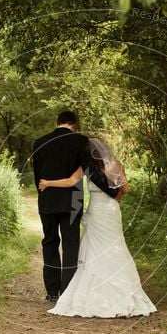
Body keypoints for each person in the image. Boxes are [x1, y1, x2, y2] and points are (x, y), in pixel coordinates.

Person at [38, 137, 157, 318]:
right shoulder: (116, 164)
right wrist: (115, 202)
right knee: (116, 247)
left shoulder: (86, 167)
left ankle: (94, 296)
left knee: (94, 250)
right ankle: (122, 293)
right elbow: (126, 188)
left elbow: (71, 182)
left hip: (95, 211)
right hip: (111, 211)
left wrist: (48, 183)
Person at [32, 111, 120, 301]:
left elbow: (37, 178)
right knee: (71, 244)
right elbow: (90, 170)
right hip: (73, 201)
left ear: (58, 122)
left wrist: (44, 195)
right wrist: (112, 191)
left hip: (47, 200)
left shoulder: (39, 143)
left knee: (50, 242)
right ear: (74, 124)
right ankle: (67, 291)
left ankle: (52, 291)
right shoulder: (80, 141)